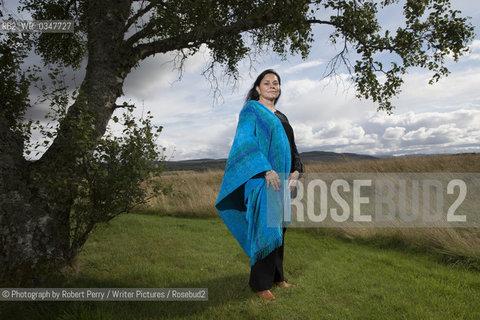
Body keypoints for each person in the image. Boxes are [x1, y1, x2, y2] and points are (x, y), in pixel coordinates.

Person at [216, 69, 304, 300]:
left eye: (276, 83)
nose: (273, 86)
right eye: (267, 83)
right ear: (257, 88)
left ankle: (278, 278)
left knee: (279, 232)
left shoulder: (282, 117)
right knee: (266, 229)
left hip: (284, 183)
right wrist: (266, 169)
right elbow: (246, 144)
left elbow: (293, 149)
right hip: (263, 180)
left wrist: (297, 171)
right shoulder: (252, 110)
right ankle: (260, 285)